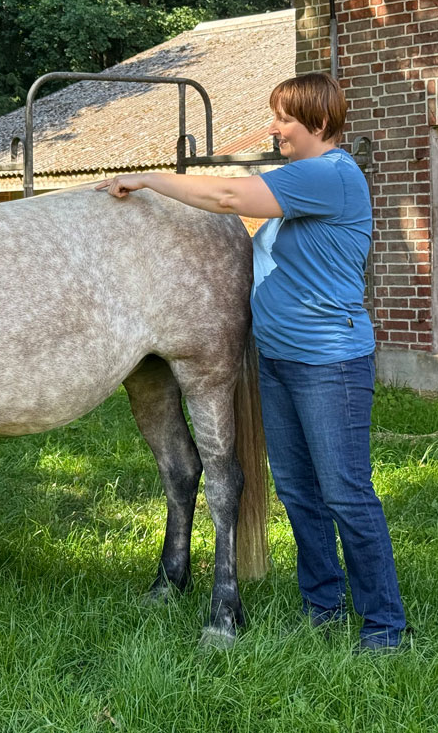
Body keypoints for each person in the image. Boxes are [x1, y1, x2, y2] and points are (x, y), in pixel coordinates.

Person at [97, 73, 406, 651]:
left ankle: (384, 625)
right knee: (297, 490)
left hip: (328, 364)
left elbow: (228, 198)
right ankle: (322, 608)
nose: (274, 128)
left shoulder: (330, 174)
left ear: (319, 122)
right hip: (281, 361)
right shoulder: (300, 186)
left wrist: (148, 179)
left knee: (344, 492)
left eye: (284, 118)